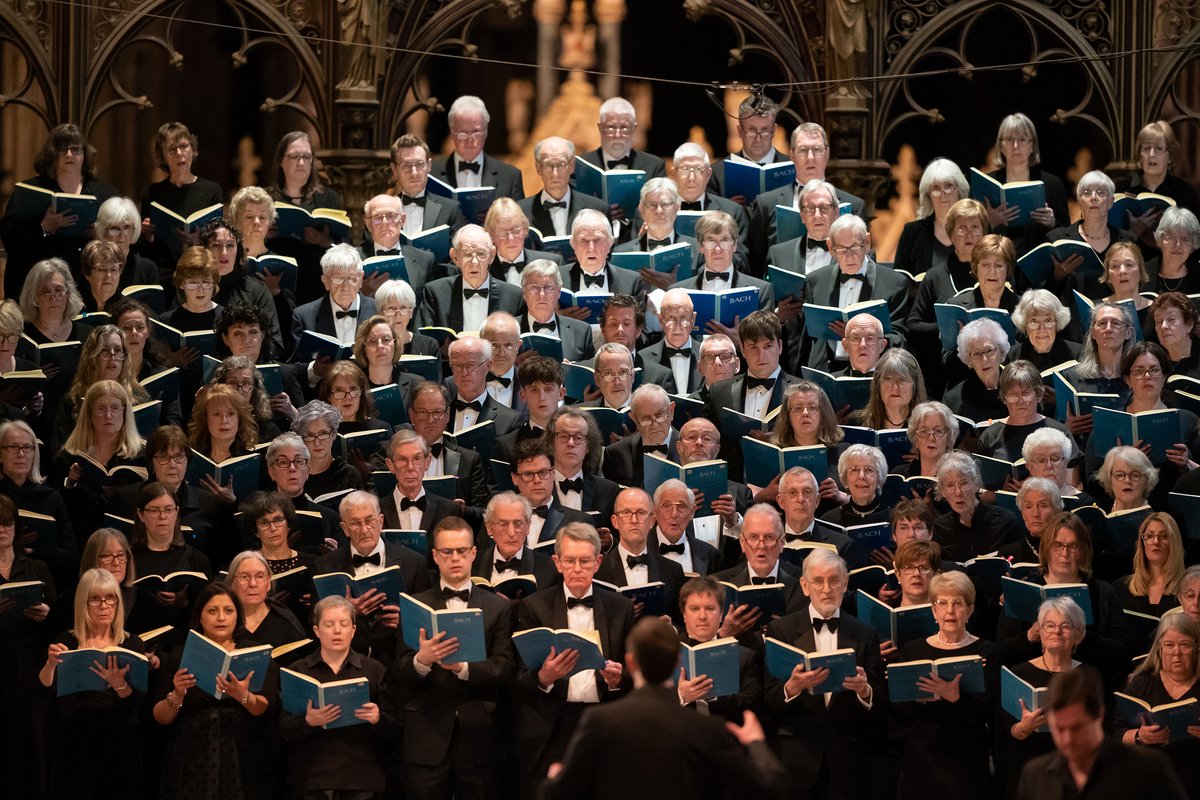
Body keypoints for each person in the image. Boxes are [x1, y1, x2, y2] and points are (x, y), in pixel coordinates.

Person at [541, 616, 786, 800]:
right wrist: (755, 743)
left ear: (631, 662)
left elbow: (556, 793)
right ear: (677, 661)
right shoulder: (708, 729)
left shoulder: (599, 721)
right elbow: (770, 788)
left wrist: (554, 774)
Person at [394, 516, 516, 800]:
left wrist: (462, 667)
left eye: (462, 551)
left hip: (480, 736)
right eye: (447, 552)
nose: (455, 558)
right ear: (435, 556)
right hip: (426, 735)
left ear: (474, 553)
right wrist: (421, 661)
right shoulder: (415, 604)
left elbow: (505, 668)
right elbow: (399, 671)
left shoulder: (497, 607)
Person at [514, 523, 635, 798]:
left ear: (598, 562)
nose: (577, 568)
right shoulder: (535, 607)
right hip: (552, 726)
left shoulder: (621, 607)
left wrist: (618, 680)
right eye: (570, 561)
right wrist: (544, 677)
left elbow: (635, 675)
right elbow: (518, 678)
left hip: (603, 724)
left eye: (585, 561)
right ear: (557, 563)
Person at [762, 548, 884, 800]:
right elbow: (768, 700)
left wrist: (865, 691)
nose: (827, 588)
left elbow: (882, 711)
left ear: (845, 584)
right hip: (797, 762)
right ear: (805, 587)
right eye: (818, 581)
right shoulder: (781, 631)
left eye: (834, 580)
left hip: (849, 764)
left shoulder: (865, 633)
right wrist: (792, 688)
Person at [151, 582, 279, 800]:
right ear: (200, 617)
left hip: (242, 753)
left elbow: (265, 709)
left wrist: (243, 696)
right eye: (212, 611)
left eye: (228, 611)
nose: (221, 618)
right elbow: (160, 717)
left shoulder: (254, 653)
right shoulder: (179, 655)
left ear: (237, 616)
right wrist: (177, 694)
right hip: (192, 753)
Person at [37, 568, 146, 800]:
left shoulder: (131, 643)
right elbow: (46, 687)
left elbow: (138, 701)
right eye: (95, 599)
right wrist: (50, 664)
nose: (104, 605)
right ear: (83, 603)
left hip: (117, 739)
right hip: (74, 739)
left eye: (110, 598)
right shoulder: (66, 640)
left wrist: (120, 685)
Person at [890, 570, 997, 800]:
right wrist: (917, 698)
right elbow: (898, 711)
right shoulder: (912, 650)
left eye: (958, 603)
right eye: (943, 603)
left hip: (966, 759)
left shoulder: (987, 651)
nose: (950, 611)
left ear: (969, 611)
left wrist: (956, 697)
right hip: (920, 759)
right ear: (933, 611)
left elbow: (990, 710)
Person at [278, 595, 396, 799]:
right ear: (316, 630)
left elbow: (396, 727)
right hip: (312, 778)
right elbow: (283, 728)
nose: (337, 631)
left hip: (363, 778)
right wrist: (308, 721)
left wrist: (378, 718)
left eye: (344, 624)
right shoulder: (298, 671)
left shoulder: (374, 669)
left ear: (353, 630)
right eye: (329, 624)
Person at [996, 512, 1130, 690]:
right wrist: (1030, 637)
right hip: (1032, 684)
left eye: (1073, 546)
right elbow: (1001, 653)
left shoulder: (1103, 592)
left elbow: (1122, 653)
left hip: (1086, 686)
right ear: (1046, 548)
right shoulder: (1022, 590)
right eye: (1057, 545)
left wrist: (1082, 636)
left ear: (1083, 551)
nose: (1064, 553)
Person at [1015, 668, 1187, 800]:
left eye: (1077, 728)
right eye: (1059, 729)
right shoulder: (1035, 775)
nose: (1067, 740)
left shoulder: (1148, 768)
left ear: (1099, 715)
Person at [1001, 597, 1104, 799]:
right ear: (1040, 632)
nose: (1056, 631)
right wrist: (1024, 727)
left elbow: (1100, 725)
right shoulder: (1019, 672)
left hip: (1077, 765)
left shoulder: (1089, 675)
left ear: (1079, 635)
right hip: (1030, 764)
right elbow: (1007, 729)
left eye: (1065, 626)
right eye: (1049, 625)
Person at [314, 490, 431, 662]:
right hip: (346, 665)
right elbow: (314, 622)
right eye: (355, 523)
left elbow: (427, 621)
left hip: (399, 664)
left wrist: (405, 622)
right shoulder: (325, 566)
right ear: (345, 529)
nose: (364, 529)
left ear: (381, 521)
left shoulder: (414, 563)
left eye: (369, 521)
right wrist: (347, 612)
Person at [0, 124, 119, 293]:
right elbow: (10, 238)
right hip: (39, 278)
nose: (69, 154)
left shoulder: (105, 193)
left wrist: (100, 235)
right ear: (51, 154)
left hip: (87, 282)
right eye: (62, 149)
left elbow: (122, 236)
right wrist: (43, 227)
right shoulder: (28, 192)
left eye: (75, 149)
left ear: (84, 154)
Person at [749, 121, 866, 272]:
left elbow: (862, 259)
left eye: (817, 149)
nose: (810, 157)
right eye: (803, 150)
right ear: (792, 155)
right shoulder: (766, 203)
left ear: (827, 153)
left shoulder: (854, 205)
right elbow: (756, 262)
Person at [803, 214, 912, 372]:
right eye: (841, 249)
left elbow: (900, 338)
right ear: (830, 246)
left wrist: (863, 337)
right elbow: (806, 339)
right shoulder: (815, 281)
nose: (849, 256)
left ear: (867, 242)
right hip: (825, 370)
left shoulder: (894, 283)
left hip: (874, 373)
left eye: (855, 247)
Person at [110, 424, 231, 564]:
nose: (172, 465)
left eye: (179, 456)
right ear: (151, 462)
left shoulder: (208, 503)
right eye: (163, 457)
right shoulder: (127, 498)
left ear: (188, 460)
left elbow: (220, 559)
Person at [0, 491, 54, 799]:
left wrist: (45, 614)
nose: (2, 529)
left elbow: (57, 624)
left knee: (32, 747)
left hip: (31, 670)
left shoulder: (37, 569)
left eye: (7, 523)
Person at [906, 198, 989, 395]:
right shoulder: (935, 276)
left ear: (985, 233)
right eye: (961, 228)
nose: (969, 234)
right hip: (946, 374)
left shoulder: (996, 272)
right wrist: (948, 329)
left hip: (992, 369)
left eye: (976, 227)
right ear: (951, 234)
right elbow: (914, 324)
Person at [1115, 613, 1200, 797]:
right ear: (1159, 649)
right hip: (1149, 783)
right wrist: (1139, 736)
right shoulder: (1141, 683)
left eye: (1184, 645)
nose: (1176, 653)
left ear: (1196, 648)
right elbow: (1114, 733)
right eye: (1169, 645)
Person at [54, 380, 146, 538]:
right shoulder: (68, 456)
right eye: (101, 409)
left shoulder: (141, 455)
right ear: (89, 414)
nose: (109, 415)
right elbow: (59, 510)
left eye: (115, 408)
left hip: (128, 538)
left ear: (125, 412)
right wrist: (70, 483)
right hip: (82, 537)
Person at [266, 131, 346, 304]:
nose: (301, 163)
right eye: (294, 156)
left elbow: (345, 247)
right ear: (281, 160)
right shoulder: (265, 199)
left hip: (317, 283)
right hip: (277, 282)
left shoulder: (329, 198)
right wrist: (262, 235)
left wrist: (325, 241)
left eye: (307, 157)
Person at [127, 482, 214, 642]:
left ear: (177, 512)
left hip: (183, 642)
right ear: (141, 515)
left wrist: (186, 602)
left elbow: (209, 611)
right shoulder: (127, 559)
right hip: (137, 641)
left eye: (168, 510)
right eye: (154, 510)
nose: (162, 516)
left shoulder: (197, 559)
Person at [51, 322, 152, 453]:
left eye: (118, 350)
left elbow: (151, 446)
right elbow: (59, 451)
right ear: (92, 359)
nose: (113, 356)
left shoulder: (139, 398)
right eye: (104, 351)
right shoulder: (72, 402)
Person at [713, 503, 808, 641]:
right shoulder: (719, 584)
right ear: (742, 543)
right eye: (753, 538)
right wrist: (724, 634)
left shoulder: (805, 581)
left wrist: (788, 630)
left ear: (782, 542)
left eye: (769, 537)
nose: (761, 546)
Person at [675, 575, 764, 721]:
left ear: (721, 614)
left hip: (726, 737)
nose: (702, 616)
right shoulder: (667, 653)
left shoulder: (743, 656)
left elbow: (753, 708)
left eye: (710, 609)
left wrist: (714, 695)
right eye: (695, 609)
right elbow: (651, 705)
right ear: (684, 615)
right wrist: (681, 696)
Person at [136, 122, 224, 271]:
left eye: (184, 146)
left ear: (193, 150)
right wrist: (147, 235)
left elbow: (218, 239)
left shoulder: (212, 191)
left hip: (200, 270)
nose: (179, 153)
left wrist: (199, 240)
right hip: (164, 272)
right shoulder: (151, 193)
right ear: (163, 156)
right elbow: (144, 250)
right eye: (172, 149)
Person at [0, 419, 75, 586]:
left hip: (43, 580)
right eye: (12, 447)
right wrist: (13, 545)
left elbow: (70, 556)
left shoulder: (51, 497)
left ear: (35, 454)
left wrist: (37, 551)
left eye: (27, 447)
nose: (21, 454)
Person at [983, 112, 1069, 257]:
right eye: (1009, 139)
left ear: (1032, 146)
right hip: (997, 264)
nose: (1016, 146)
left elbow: (1067, 232)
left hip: (1039, 267)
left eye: (1022, 139)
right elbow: (973, 233)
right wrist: (990, 222)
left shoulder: (1052, 184)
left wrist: (1052, 222)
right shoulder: (988, 183)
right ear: (1001, 146)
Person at [596, 487, 686, 621]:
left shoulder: (673, 570)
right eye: (626, 512)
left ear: (652, 521)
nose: (634, 520)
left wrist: (670, 630)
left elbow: (682, 624)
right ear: (615, 521)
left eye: (641, 512)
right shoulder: (598, 570)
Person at [200, 219, 286, 358]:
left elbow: (275, 345)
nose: (224, 252)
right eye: (216, 245)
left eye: (230, 245)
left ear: (238, 250)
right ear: (205, 250)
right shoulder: (194, 288)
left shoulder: (256, 290)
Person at [419, 224, 523, 332]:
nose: (474, 262)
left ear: (492, 255)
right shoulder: (435, 293)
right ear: (455, 257)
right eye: (467, 254)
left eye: (481, 254)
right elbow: (426, 341)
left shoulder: (514, 297)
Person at [405, 381, 490, 511]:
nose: (431, 419)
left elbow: (481, 511)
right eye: (423, 412)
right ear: (412, 415)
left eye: (437, 412)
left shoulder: (469, 460)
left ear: (448, 415)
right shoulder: (393, 455)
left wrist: (462, 510)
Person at [670, 210, 772, 315]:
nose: (718, 249)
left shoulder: (761, 291)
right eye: (711, 241)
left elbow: (767, 331)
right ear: (701, 246)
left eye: (724, 241)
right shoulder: (678, 292)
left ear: (734, 245)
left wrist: (740, 332)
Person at [932, 450, 1023, 562]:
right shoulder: (941, 529)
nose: (958, 492)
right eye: (950, 485)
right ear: (943, 491)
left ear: (976, 484)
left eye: (964, 483)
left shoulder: (1006, 522)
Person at [430, 95, 525, 200]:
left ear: (486, 133)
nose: (470, 139)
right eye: (463, 132)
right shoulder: (431, 174)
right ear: (452, 134)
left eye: (476, 132)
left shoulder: (510, 177)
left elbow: (518, 216)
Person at [977, 360, 1073, 464]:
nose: (1020, 400)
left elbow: (1072, 478)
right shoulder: (990, 436)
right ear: (1004, 398)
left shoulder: (1059, 432)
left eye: (1026, 393)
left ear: (1039, 395)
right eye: (1013, 394)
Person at [506, 439, 595, 548]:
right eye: (528, 474)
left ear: (553, 473)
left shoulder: (579, 522)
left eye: (543, 472)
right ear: (514, 478)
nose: (537, 480)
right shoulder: (497, 520)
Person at [894, 157, 971, 279]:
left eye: (948, 186)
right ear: (928, 194)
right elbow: (898, 279)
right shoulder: (912, 232)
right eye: (935, 188)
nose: (942, 193)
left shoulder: (976, 229)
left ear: (959, 189)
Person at [518, 136, 609, 238]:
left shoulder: (597, 209)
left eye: (561, 164)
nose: (555, 173)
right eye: (548, 164)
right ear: (538, 168)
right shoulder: (520, 212)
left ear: (571, 166)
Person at [471, 492, 559, 593]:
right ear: (489, 527)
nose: (511, 533)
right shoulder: (472, 564)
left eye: (518, 524)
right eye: (503, 524)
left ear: (527, 527)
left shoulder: (547, 567)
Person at [544, 406, 620, 523]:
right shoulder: (537, 487)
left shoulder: (608, 491)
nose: (570, 443)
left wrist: (609, 541)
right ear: (551, 443)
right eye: (563, 436)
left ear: (588, 446)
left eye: (578, 437)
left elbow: (617, 536)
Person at [378, 429, 461, 533]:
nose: (410, 467)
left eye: (417, 458)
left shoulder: (448, 510)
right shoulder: (376, 511)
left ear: (427, 462)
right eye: (402, 459)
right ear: (390, 465)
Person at [709, 93, 789, 197]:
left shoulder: (793, 169)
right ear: (740, 131)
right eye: (752, 130)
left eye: (764, 130)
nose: (758, 139)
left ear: (773, 131)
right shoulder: (717, 174)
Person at [224, 550, 306, 651]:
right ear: (232, 583)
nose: (253, 584)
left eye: (260, 576)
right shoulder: (222, 620)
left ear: (268, 583)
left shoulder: (286, 622)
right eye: (244, 577)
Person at [558, 208, 645, 301]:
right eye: (584, 240)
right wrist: (560, 315)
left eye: (597, 240)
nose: (591, 248)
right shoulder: (556, 278)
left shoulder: (631, 281)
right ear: (573, 244)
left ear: (610, 243)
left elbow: (638, 315)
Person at [360, 193, 438, 295]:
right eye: (377, 217)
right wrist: (362, 292)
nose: (385, 222)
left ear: (402, 220)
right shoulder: (354, 260)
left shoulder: (425, 260)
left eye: (390, 216)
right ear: (368, 224)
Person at [390, 133, 466, 237]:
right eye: (406, 165)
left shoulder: (450, 210)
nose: (414, 172)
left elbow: (458, 251)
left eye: (420, 164)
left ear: (429, 165)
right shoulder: (383, 211)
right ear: (394, 170)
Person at [519, 259, 596, 362]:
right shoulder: (507, 330)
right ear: (524, 293)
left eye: (548, 288)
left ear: (558, 292)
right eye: (534, 288)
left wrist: (573, 370)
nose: (542, 295)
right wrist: (514, 367)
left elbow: (591, 372)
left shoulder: (581, 331)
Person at [601, 384, 676, 487]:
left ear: (671, 411)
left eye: (659, 414)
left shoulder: (693, 447)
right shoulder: (615, 454)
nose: (654, 424)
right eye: (646, 418)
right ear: (634, 419)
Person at [291, 399, 365, 503]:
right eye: (310, 436)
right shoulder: (293, 474)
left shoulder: (349, 475)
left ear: (334, 434)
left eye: (323, 434)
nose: (317, 443)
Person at [1114, 512, 1185, 619]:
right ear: (1142, 543)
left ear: (1174, 543)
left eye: (1164, 536)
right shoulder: (1121, 588)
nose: (1156, 541)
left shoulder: (1189, 588)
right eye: (1149, 536)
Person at [483, 198, 564, 286]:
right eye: (503, 232)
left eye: (516, 231)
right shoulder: (483, 269)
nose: (511, 238)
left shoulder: (552, 263)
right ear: (491, 235)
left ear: (525, 230)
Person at [943, 318, 1011, 423]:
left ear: (1002, 352)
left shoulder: (1020, 387)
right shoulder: (954, 399)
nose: (984, 360)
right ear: (968, 360)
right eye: (976, 354)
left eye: (989, 350)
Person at [650, 479, 723, 575]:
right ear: (655, 511)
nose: (674, 514)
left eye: (682, 506)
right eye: (666, 506)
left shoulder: (711, 555)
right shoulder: (638, 548)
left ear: (692, 512)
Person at [1007, 288, 1080, 378]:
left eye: (1048, 320)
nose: (1041, 329)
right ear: (1024, 324)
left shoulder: (1078, 355)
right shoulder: (1011, 358)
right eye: (1034, 321)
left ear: (1057, 323)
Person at [211, 355, 284, 443]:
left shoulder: (268, 430)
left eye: (246, 383)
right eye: (233, 383)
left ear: (254, 388)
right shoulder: (210, 423)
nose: (239, 390)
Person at [642, 288, 702, 394]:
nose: (677, 327)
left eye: (684, 318)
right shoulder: (643, 359)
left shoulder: (708, 356)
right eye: (671, 318)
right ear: (660, 319)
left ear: (693, 319)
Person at [851, 347, 926, 431]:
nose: (894, 387)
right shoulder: (857, 422)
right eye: (888, 379)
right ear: (878, 384)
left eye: (902, 380)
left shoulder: (928, 424)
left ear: (914, 384)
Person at [1148, 207, 1200, 296]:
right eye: (1171, 237)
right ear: (1160, 239)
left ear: (1193, 245)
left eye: (1185, 239)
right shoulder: (1143, 272)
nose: (1178, 245)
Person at [1150, 291, 1200, 377]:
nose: (1163, 326)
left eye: (1171, 319)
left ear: (1189, 325)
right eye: (1159, 321)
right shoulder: (1152, 362)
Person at [580, 342, 635, 411]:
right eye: (608, 374)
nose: (617, 382)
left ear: (632, 376)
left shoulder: (649, 411)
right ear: (597, 379)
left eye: (623, 372)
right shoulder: (581, 413)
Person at [77, 239, 124, 314]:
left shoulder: (130, 311)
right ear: (87, 273)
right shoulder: (73, 309)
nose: (108, 276)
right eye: (101, 270)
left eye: (113, 270)